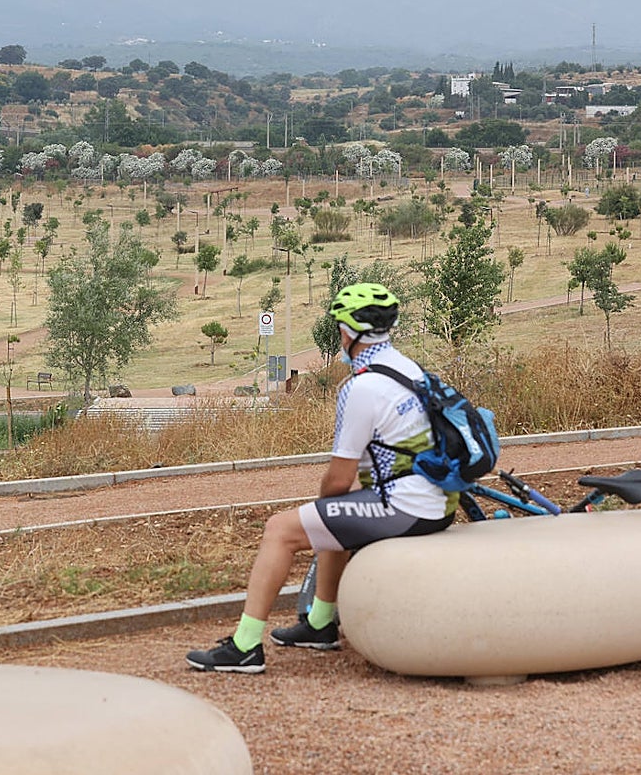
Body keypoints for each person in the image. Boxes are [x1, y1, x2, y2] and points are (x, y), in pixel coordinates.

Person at [185, 282, 458, 673]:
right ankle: (319, 624)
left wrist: (320, 504)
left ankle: (245, 646)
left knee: (281, 529)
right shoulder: (406, 368)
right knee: (332, 515)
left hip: (408, 506)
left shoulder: (362, 387)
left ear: (347, 332)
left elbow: (338, 479)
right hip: (436, 501)